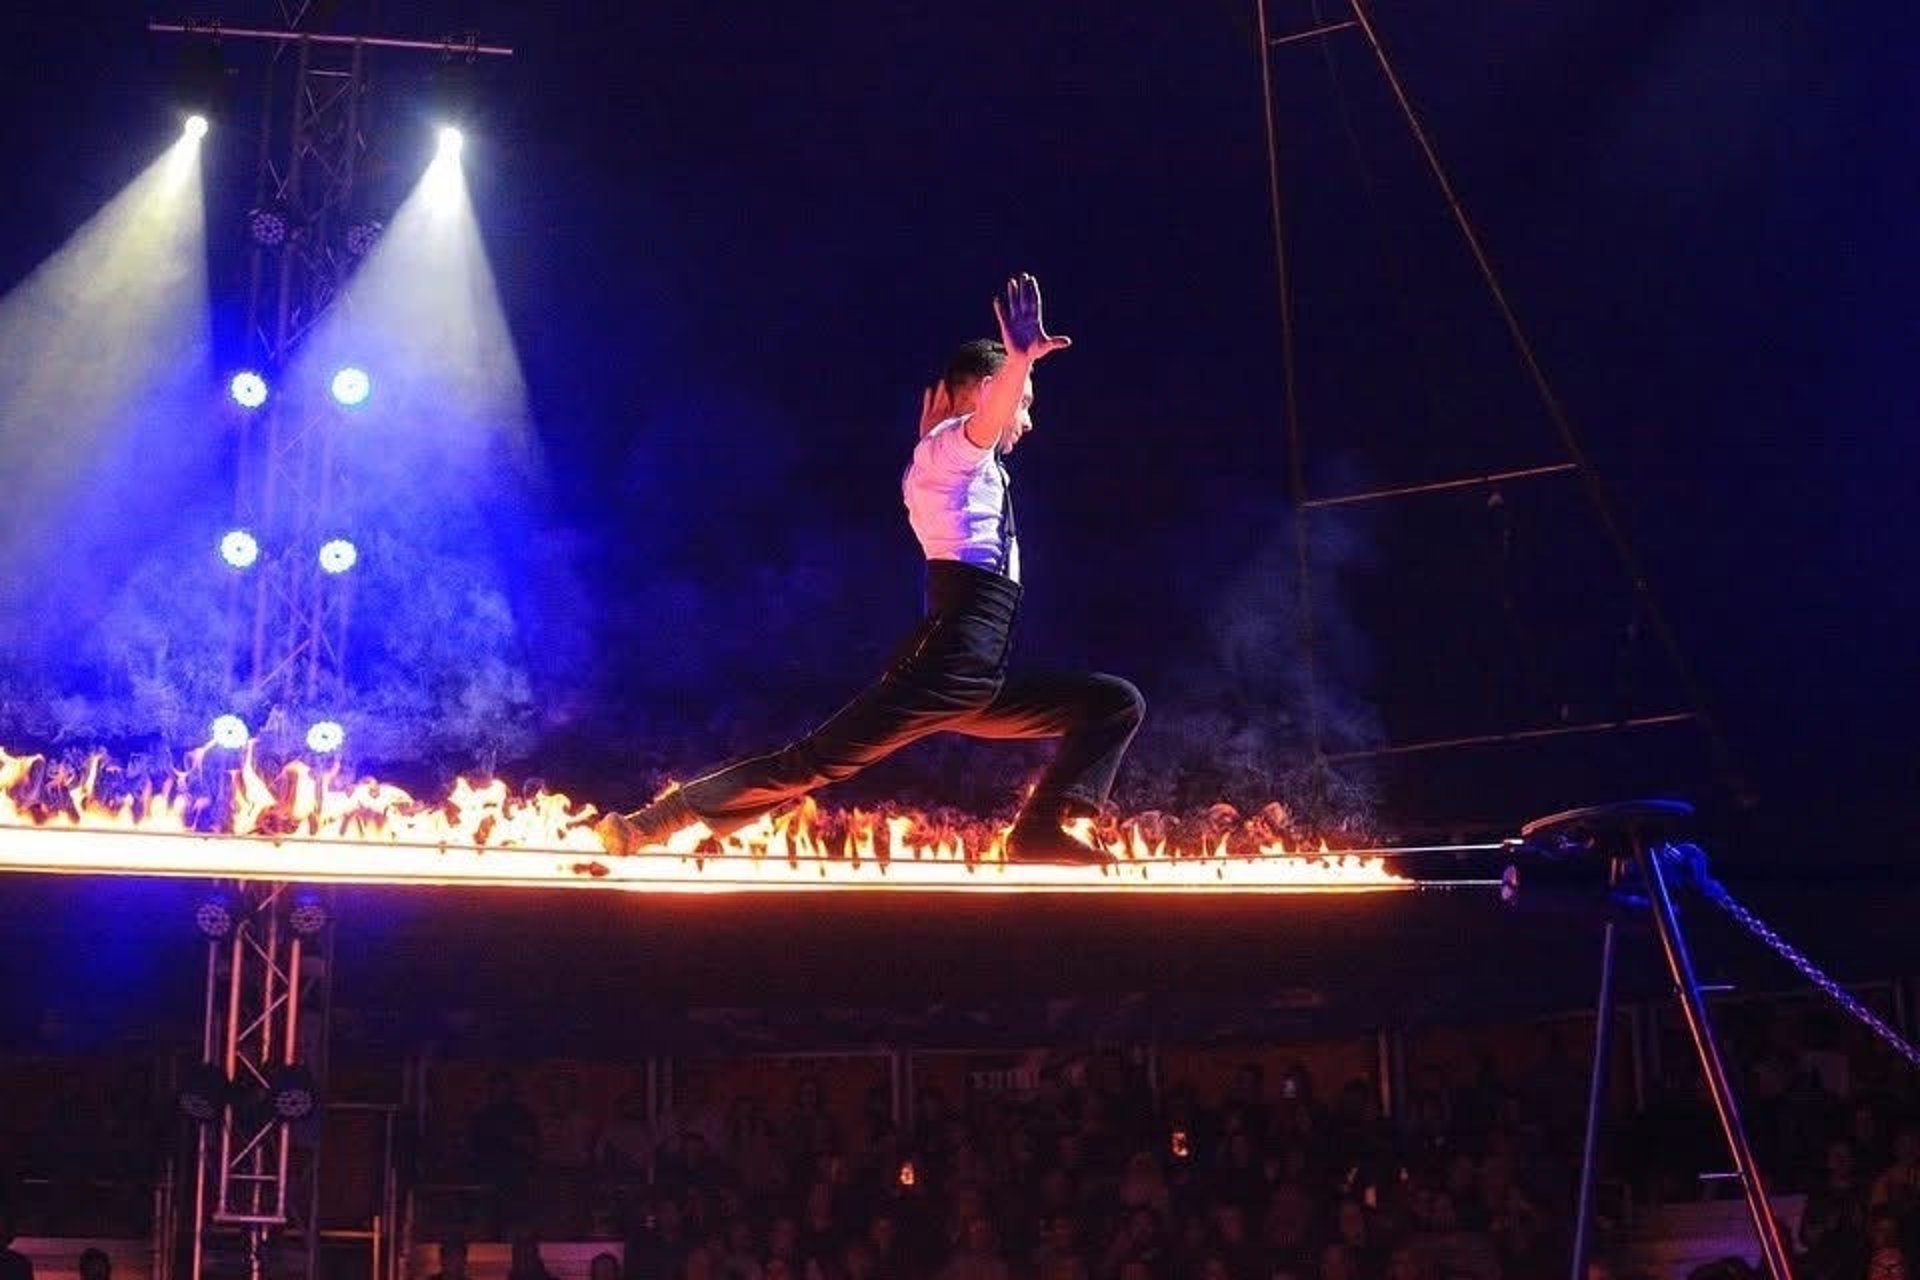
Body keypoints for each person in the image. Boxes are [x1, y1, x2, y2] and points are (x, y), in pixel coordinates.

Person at [597, 274, 1144, 863]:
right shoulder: (950, 451)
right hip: (947, 664)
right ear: (988, 391)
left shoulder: (952, 456)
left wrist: (976, 406)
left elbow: (966, 449)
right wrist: (1019, 362)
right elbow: (977, 431)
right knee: (811, 763)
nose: (1029, 421)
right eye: (1025, 404)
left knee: (1113, 702)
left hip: (980, 674)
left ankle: (1037, 830)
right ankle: (652, 822)